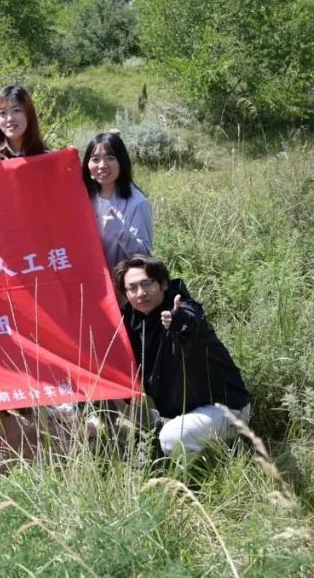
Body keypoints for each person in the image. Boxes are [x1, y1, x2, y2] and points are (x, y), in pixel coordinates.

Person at [113, 255, 251, 456]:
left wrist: (179, 322)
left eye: (147, 284)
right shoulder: (132, 321)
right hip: (178, 410)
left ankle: (197, 477)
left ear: (163, 284)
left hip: (224, 409)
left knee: (172, 437)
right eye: (132, 288)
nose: (141, 293)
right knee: (106, 399)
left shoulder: (182, 307)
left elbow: (191, 323)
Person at [81, 131, 153, 272]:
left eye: (110, 158)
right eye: (95, 159)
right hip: (89, 279)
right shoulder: (85, 196)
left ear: (121, 162)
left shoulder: (137, 203)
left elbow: (144, 256)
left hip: (119, 286)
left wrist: (120, 231)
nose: (102, 165)